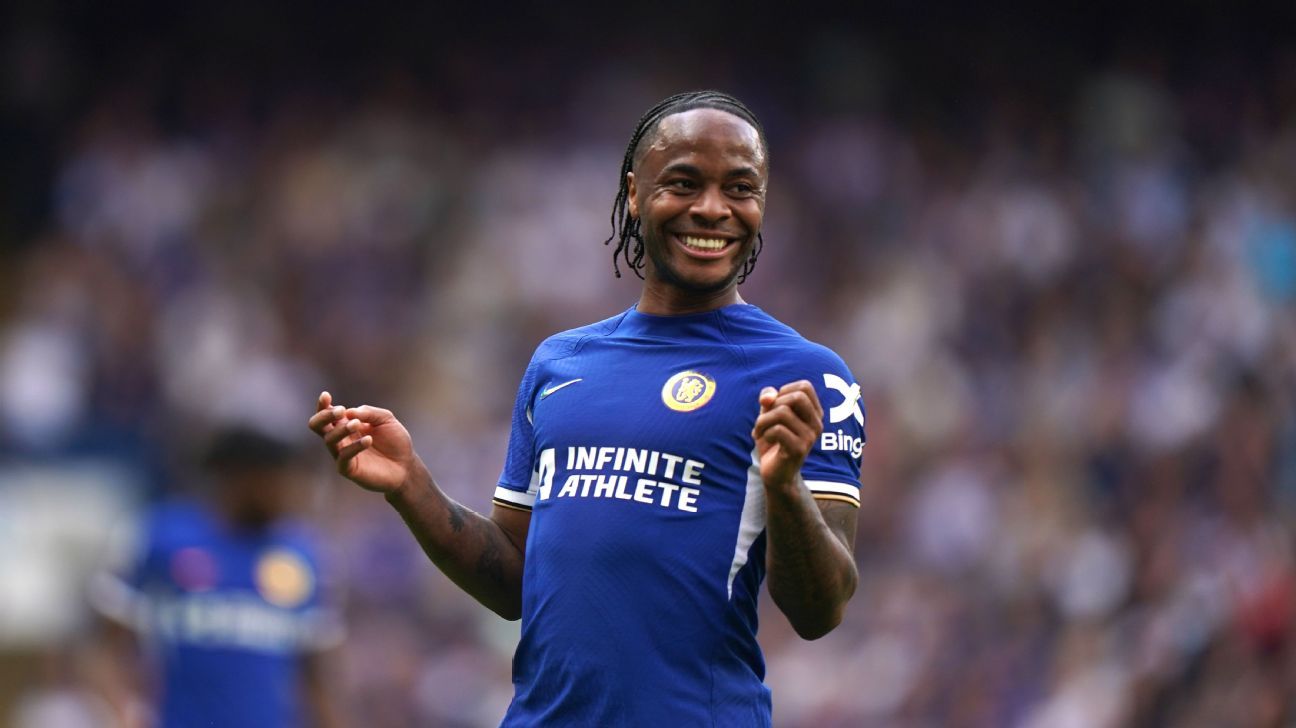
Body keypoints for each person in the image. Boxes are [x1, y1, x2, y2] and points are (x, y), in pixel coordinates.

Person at [309, 90, 866, 725]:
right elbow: (515, 580)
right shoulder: (560, 363)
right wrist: (412, 485)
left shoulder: (806, 375)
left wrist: (786, 485)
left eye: (740, 188)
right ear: (635, 194)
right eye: (684, 183)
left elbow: (821, 611)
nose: (713, 209)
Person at [88, 426, 344, 728]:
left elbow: (317, 678)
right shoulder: (161, 536)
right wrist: (123, 714)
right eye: (282, 480)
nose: (293, 493)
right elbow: (104, 647)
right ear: (245, 478)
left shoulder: (303, 556)